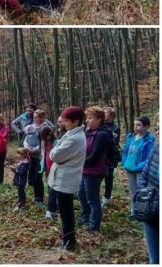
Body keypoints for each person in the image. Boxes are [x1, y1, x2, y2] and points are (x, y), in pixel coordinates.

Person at [47, 106, 87, 251]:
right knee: (64, 210)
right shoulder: (71, 133)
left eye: (67, 121)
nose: (64, 123)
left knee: (66, 211)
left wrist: (53, 152)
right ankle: (67, 238)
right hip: (62, 177)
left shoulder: (75, 138)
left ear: (76, 121)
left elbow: (55, 155)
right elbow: (56, 152)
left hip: (66, 179)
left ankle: (69, 241)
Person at [78, 106, 110, 232]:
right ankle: (85, 216)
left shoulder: (102, 134)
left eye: (90, 118)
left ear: (99, 120)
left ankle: (94, 226)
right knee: (81, 193)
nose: (87, 121)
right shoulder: (88, 132)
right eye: (87, 118)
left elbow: (95, 155)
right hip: (85, 170)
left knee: (93, 199)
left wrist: (80, 164)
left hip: (95, 171)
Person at [123, 116, 155, 214]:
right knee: (133, 191)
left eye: (138, 125)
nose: (136, 127)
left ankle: (142, 211)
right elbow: (126, 151)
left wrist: (140, 166)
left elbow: (149, 156)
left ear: (146, 127)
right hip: (130, 168)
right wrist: (124, 162)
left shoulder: (149, 140)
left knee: (141, 191)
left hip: (140, 170)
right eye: (135, 125)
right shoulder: (131, 137)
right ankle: (134, 211)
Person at [23, 109, 54, 207]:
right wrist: (27, 147)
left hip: (41, 157)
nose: (34, 119)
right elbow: (26, 139)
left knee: (37, 177)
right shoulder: (31, 127)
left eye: (36, 117)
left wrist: (35, 149)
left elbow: (43, 143)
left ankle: (39, 198)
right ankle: (37, 195)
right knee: (32, 177)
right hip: (31, 156)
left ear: (41, 118)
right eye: (34, 117)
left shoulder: (45, 128)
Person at [138, 140, 159, 263]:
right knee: (155, 258)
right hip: (151, 209)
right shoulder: (157, 148)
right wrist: (144, 195)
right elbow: (145, 174)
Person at [101, 106, 121, 206]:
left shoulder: (115, 128)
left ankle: (107, 197)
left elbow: (114, 142)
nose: (103, 114)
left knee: (109, 177)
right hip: (101, 155)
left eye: (105, 113)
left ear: (111, 115)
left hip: (110, 157)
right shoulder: (101, 125)